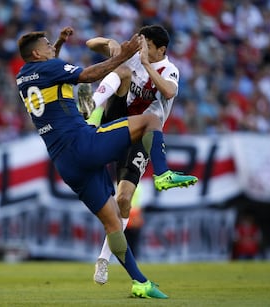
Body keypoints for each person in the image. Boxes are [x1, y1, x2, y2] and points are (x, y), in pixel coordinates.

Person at [15, 27, 195, 299]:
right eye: (48, 44)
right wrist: (121, 56)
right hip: (82, 142)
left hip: (66, 163)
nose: (53, 45)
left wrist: (62, 43)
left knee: (113, 223)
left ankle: (140, 283)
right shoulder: (50, 68)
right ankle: (163, 174)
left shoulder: (24, 76)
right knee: (151, 121)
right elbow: (89, 74)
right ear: (38, 53)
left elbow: (51, 69)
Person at [78, 25, 198, 284]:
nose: (142, 49)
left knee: (123, 200)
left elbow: (168, 92)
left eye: (147, 46)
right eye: (141, 44)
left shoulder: (170, 69)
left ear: (161, 49)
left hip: (140, 137)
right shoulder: (133, 57)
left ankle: (103, 259)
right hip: (119, 120)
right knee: (120, 68)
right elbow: (91, 42)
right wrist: (114, 45)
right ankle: (89, 108)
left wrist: (145, 63)